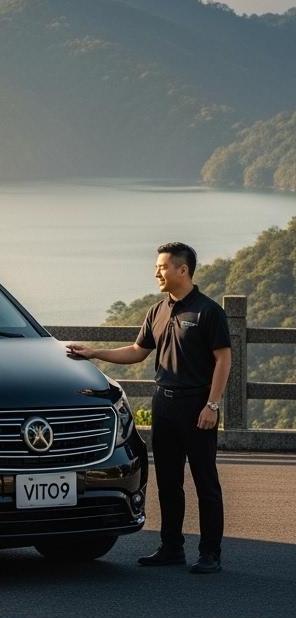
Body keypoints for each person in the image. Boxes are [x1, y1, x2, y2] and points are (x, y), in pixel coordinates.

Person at [67, 242, 231, 574]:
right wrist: (95, 353)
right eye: (157, 267)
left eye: (163, 267)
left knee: (205, 481)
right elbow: (137, 351)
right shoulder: (157, 311)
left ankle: (210, 553)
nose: (157, 272)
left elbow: (223, 360)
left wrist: (212, 405)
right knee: (168, 481)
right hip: (164, 404)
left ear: (182, 270)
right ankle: (172, 548)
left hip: (198, 405)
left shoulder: (208, 311)